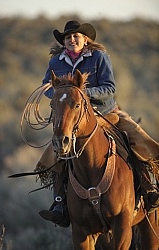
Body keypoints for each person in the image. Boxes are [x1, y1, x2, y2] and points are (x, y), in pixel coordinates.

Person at [36, 20, 159, 226]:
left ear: (85, 40)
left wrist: (82, 94)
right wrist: (60, 94)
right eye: (68, 37)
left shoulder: (99, 57)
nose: (72, 39)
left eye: (76, 36)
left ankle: (149, 189)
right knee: (55, 151)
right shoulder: (56, 62)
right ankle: (59, 203)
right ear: (64, 42)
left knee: (135, 138)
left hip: (105, 113)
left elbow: (109, 88)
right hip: (73, 120)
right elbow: (46, 86)